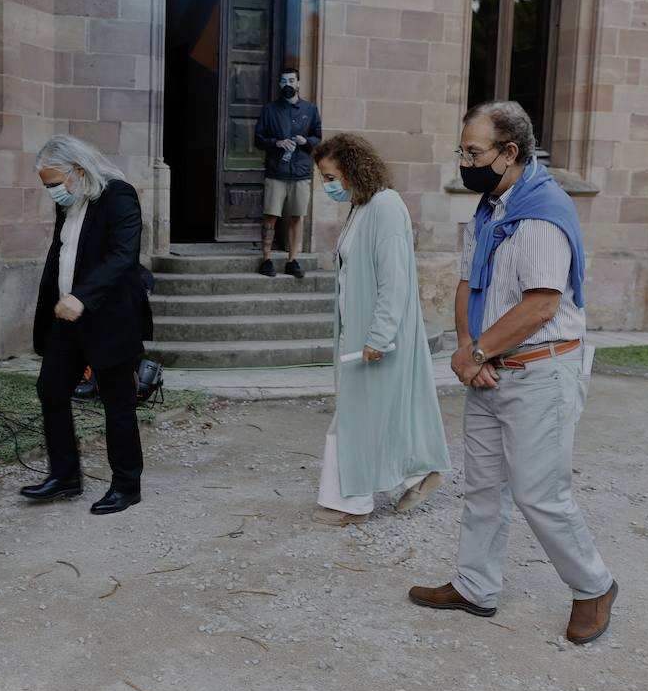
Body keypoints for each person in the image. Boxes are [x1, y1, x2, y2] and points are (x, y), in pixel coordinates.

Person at [409, 100, 617, 645]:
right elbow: (466, 283)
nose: (465, 161)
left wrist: (476, 355)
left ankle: (594, 585)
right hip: (490, 367)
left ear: (509, 152)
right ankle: (476, 585)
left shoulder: (542, 212)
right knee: (482, 488)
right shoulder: (489, 208)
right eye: (462, 150)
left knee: (540, 493)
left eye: (473, 152)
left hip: (539, 371)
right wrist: (466, 347)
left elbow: (541, 306)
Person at [310, 134, 451, 526]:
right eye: (324, 178)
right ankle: (419, 471)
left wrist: (378, 335)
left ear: (353, 169)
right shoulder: (361, 207)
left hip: (375, 337)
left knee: (355, 417)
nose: (328, 185)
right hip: (355, 332)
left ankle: (351, 502)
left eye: (331, 176)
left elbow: (395, 278)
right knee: (376, 413)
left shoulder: (386, 207)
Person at [19, 134, 153, 515]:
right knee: (51, 390)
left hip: (108, 319)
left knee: (118, 403)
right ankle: (65, 476)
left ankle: (127, 485)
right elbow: (66, 253)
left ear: (77, 171)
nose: (51, 193)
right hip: (68, 318)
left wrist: (83, 296)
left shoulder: (119, 195)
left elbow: (122, 256)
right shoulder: (71, 202)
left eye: (54, 184)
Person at [253, 67, 322, 278]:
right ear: (279, 85)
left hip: (300, 172)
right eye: (283, 81)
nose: (287, 84)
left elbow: (318, 136)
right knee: (270, 217)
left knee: (296, 218)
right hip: (276, 172)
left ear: (298, 83)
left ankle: (292, 260)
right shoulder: (270, 110)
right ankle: (266, 260)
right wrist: (276, 143)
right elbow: (258, 139)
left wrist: (306, 141)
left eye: (291, 80)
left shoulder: (310, 110)